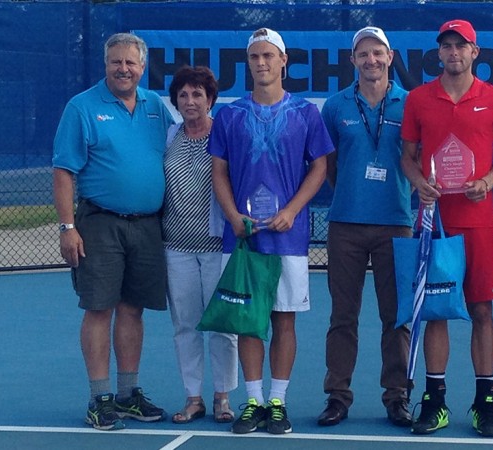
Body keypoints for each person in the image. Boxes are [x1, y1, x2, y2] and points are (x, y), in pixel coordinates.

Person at [208, 27, 333, 435]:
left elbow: (320, 167)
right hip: (242, 237)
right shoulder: (228, 114)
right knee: (248, 320)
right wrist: (231, 215)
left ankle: (277, 402)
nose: (261, 63)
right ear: (248, 64)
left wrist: (294, 210)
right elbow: (219, 171)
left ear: (283, 62)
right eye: (254, 57)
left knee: (283, 320)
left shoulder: (306, 113)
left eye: (268, 56)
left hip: (288, 238)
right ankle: (254, 401)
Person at [400, 20, 493, 437]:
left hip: (479, 222)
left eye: (460, 46)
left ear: (474, 52)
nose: (453, 53)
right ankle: (435, 400)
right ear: (440, 54)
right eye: (446, 46)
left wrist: (486, 182)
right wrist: (419, 184)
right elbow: (407, 157)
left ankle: (485, 401)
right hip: (434, 222)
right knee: (436, 312)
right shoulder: (418, 99)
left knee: (482, 311)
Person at [52, 32, 174, 431]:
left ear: (142, 66)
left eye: (130, 63)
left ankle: (128, 394)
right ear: (106, 65)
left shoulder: (157, 107)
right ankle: (99, 398)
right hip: (99, 224)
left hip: (147, 226)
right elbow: (64, 171)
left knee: (132, 309)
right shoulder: (82, 107)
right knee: (99, 308)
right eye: (115, 62)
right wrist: (68, 227)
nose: (123, 69)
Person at [317, 26, 412, 428]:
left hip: (397, 224)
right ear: (353, 60)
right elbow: (329, 166)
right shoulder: (335, 106)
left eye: (378, 53)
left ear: (390, 57)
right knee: (343, 316)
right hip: (346, 226)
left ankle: (397, 396)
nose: (371, 60)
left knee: (397, 317)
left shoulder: (411, 104)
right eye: (363, 54)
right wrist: (355, 194)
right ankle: (338, 395)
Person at [162, 66, 239, 425]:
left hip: (217, 248)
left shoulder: (223, 136)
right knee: (186, 325)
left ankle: (223, 397)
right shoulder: (169, 136)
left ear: (210, 100)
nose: (190, 101)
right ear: (176, 100)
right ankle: (193, 398)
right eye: (183, 95)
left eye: (198, 95)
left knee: (222, 324)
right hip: (175, 248)